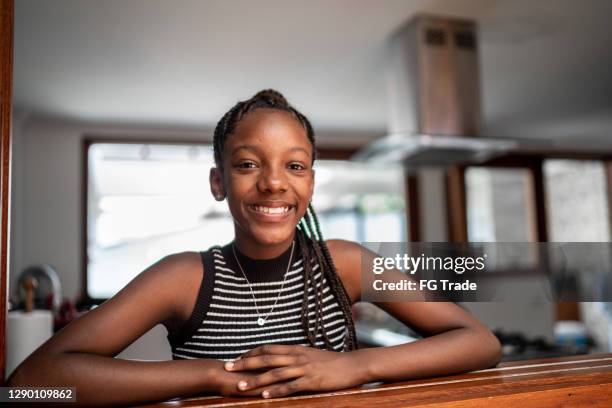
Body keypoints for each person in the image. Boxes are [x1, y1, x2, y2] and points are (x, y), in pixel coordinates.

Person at [8, 90, 501, 406]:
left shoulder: (345, 264)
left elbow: (481, 342)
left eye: (295, 165)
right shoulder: (184, 279)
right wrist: (211, 376)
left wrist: (354, 366)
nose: (273, 184)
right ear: (218, 182)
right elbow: (31, 386)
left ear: (310, 182)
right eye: (248, 165)